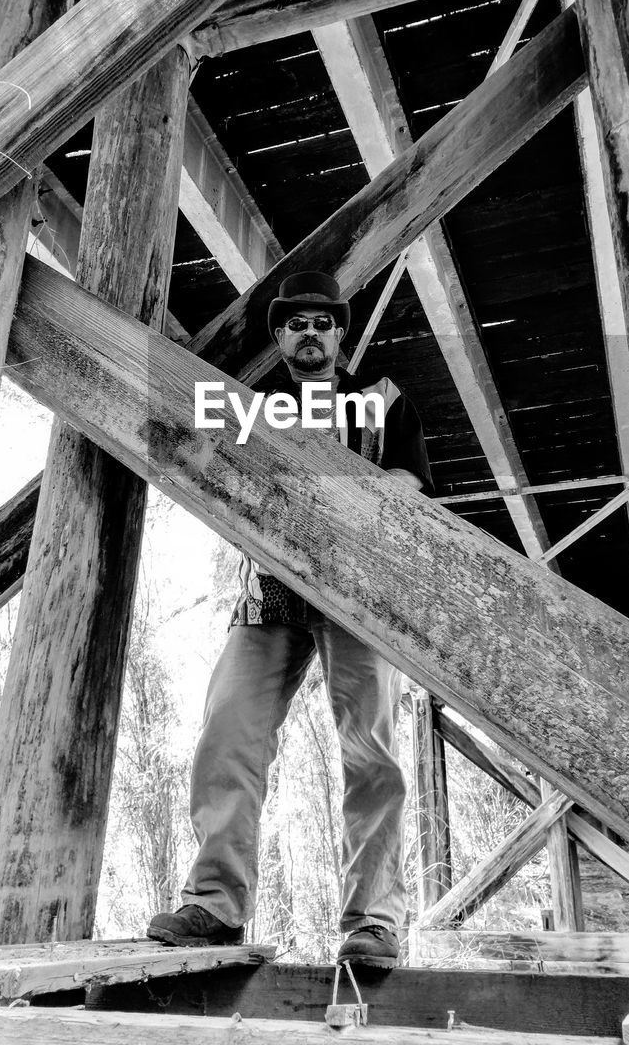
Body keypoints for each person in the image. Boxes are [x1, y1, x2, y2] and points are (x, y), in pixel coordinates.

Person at [148, 271, 432, 967]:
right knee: (228, 736)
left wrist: (336, 510)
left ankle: (373, 922)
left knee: (372, 755)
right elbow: (202, 465)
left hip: (357, 591)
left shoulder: (381, 398)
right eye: (295, 323)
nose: (309, 333)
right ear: (280, 339)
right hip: (265, 592)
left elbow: (408, 484)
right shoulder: (251, 404)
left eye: (321, 322)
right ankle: (214, 907)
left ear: (338, 335)